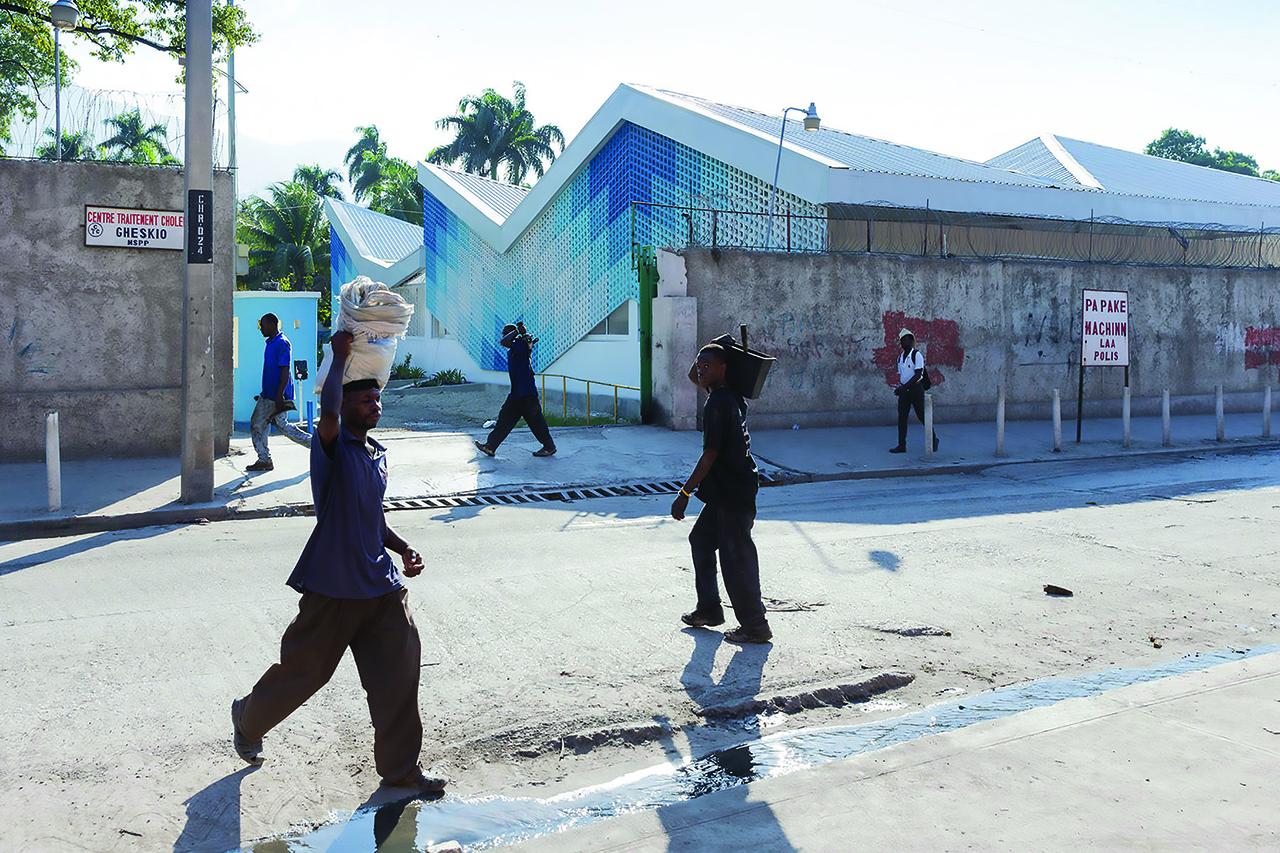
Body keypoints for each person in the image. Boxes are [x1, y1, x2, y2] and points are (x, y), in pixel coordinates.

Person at [231, 331, 445, 793]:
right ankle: (247, 720)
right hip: (335, 586)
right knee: (303, 674)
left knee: (399, 676)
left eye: (377, 399)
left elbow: (371, 517)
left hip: (382, 588)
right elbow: (327, 413)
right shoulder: (331, 447)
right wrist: (339, 355)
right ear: (345, 409)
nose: (375, 406)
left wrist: (402, 546)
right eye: (365, 400)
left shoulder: (375, 454)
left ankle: (401, 771)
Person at [670, 342, 772, 644]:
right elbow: (693, 376)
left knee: (736, 557)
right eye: (699, 365)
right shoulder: (727, 395)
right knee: (700, 539)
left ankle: (755, 624)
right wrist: (708, 349)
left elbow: (709, 456)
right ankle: (709, 609)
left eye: (707, 365)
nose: (700, 370)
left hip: (733, 492)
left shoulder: (719, 403)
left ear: (723, 368)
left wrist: (685, 493)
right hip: (727, 490)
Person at [474, 321, 557, 458]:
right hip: (517, 393)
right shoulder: (515, 347)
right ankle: (490, 446)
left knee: (536, 421)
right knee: (504, 419)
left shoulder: (519, 346)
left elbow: (504, 341)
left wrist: (518, 331)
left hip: (526, 392)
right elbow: (506, 342)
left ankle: (549, 447)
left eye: (505, 333)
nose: (503, 336)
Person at [247, 313, 311, 473]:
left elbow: (285, 371)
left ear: (271, 325)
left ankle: (317, 445)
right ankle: (264, 459)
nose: (260, 328)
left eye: (262, 325)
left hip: (276, 395)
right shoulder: (270, 343)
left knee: (278, 426)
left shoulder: (282, 343)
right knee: (260, 425)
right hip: (268, 394)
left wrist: (280, 396)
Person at [889, 328, 939, 454]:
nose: (902, 343)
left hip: (916, 389)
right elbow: (903, 375)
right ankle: (901, 445)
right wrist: (901, 388)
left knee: (922, 416)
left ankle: (933, 439)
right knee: (902, 417)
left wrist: (904, 387)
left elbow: (918, 375)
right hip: (904, 391)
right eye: (901, 340)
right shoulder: (900, 357)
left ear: (910, 341)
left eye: (905, 340)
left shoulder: (916, 355)